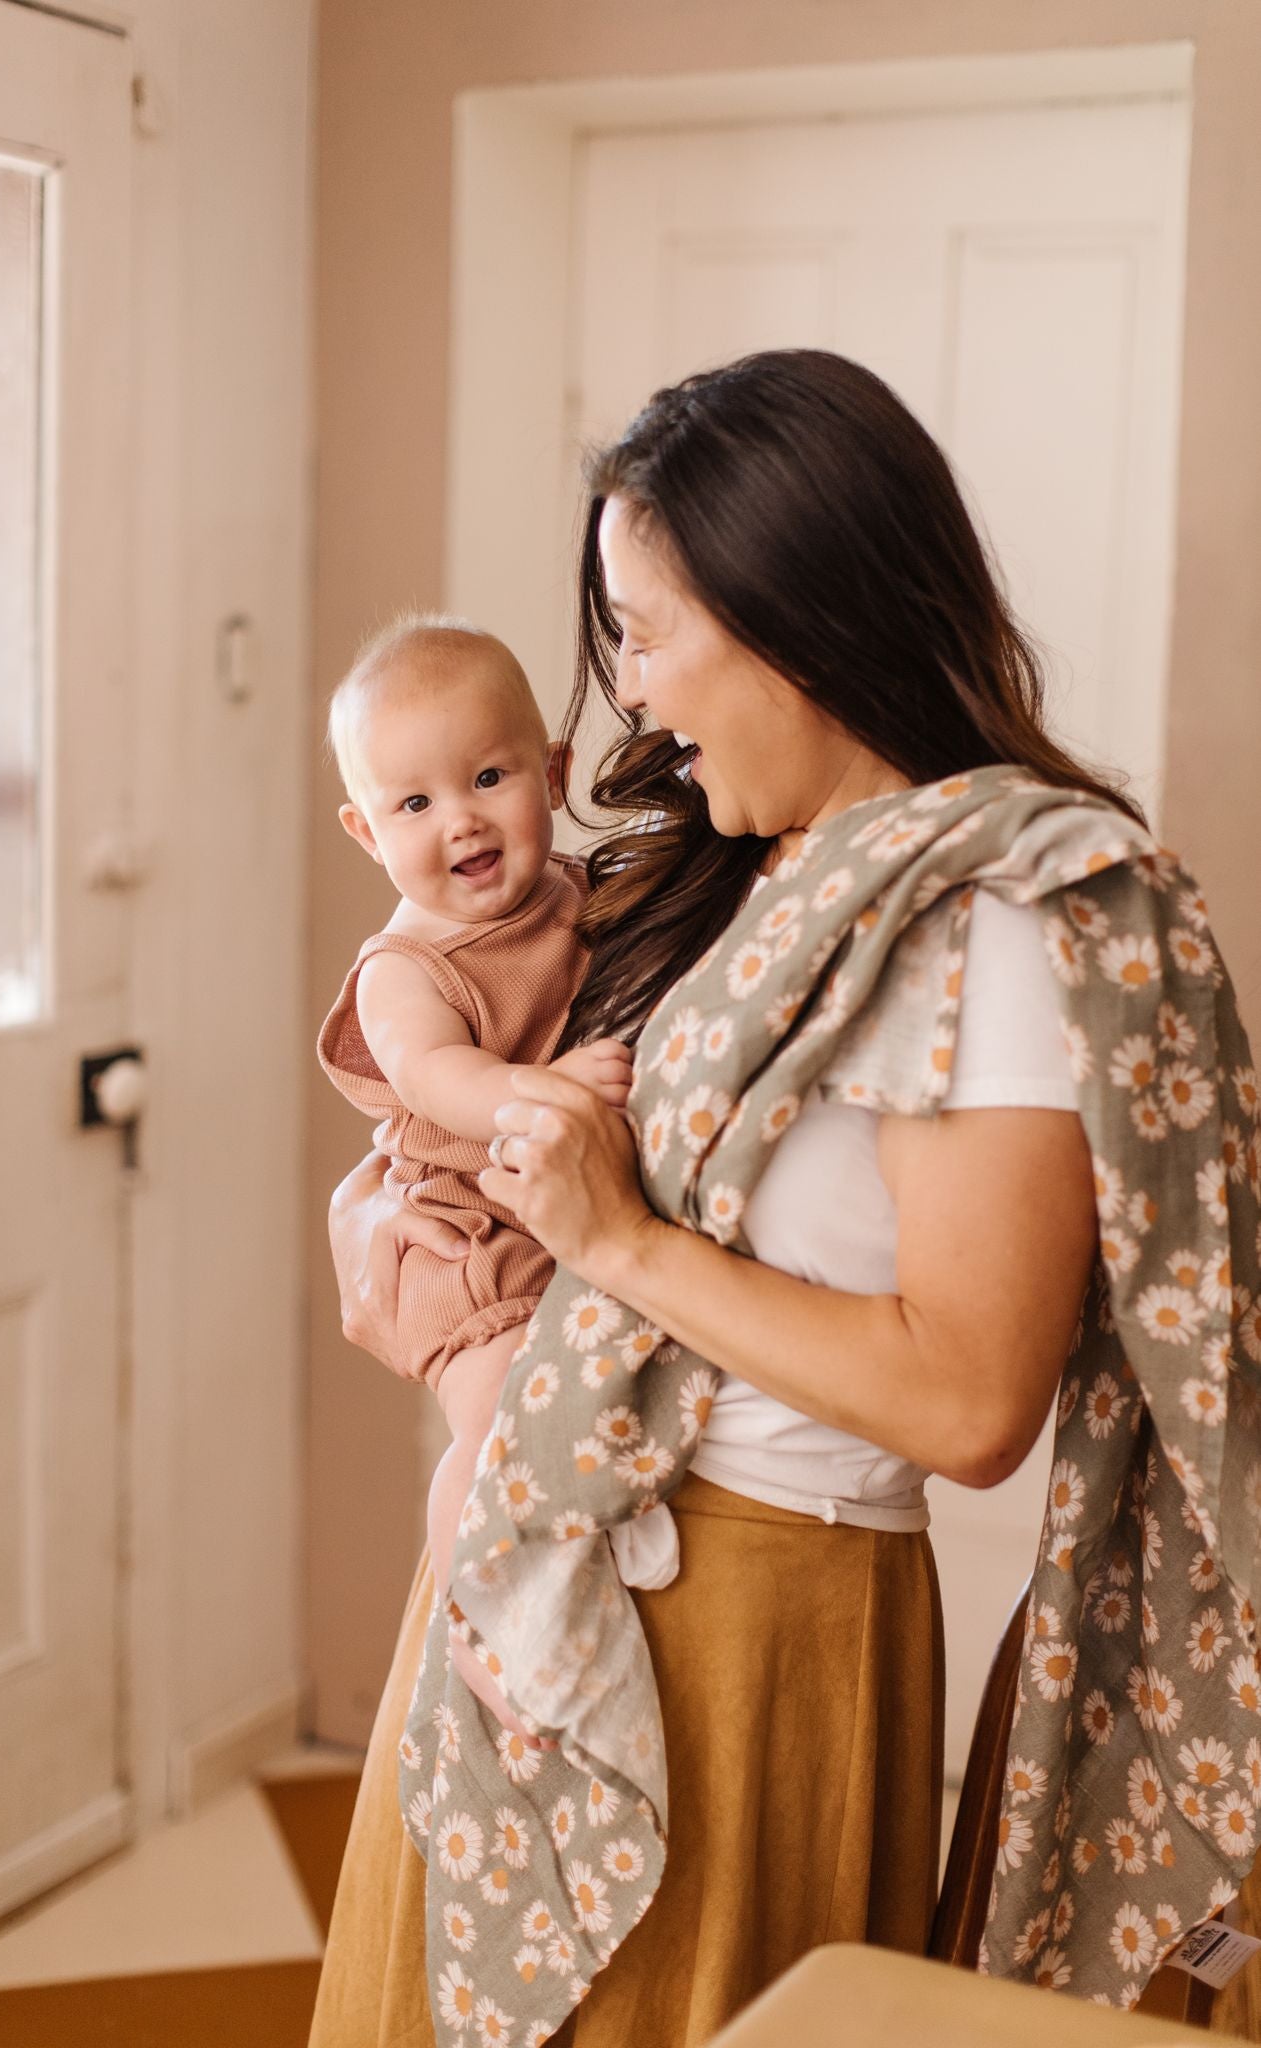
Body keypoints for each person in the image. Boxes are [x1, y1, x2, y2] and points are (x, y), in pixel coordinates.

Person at [308, 352, 1261, 2048]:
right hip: (552, 1573)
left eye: (648, 631)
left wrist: (619, 1242)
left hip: (747, 1625)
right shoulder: (738, 877)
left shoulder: (995, 921)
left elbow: (970, 1398)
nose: (633, 697)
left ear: (794, 614)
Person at [319, 615, 633, 1733]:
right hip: (463, 1242)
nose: (459, 820)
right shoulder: (404, 967)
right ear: (367, 830)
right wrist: (548, 1092)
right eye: (413, 804)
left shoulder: (580, 891)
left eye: (489, 775)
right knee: (497, 1417)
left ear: (550, 772)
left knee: (581, 1408)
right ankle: (480, 1614)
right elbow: (440, 1076)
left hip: (545, 1214)